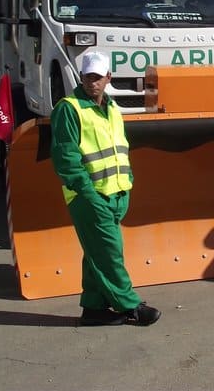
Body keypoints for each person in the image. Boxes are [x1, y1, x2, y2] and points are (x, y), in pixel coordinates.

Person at [50, 52, 161, 327]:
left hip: (116, 194)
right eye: (88, 77)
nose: (93, 82)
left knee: (97, 253)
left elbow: (120, 149)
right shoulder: (69, 108)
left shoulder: (112, 109)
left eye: (98, 77)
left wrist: (127, 183)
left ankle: (94, 309)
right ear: (81, 77)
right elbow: (66, 158)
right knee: (110, 253)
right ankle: (130, 305)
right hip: (88, 197)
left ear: (108, 78)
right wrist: (89, 194)